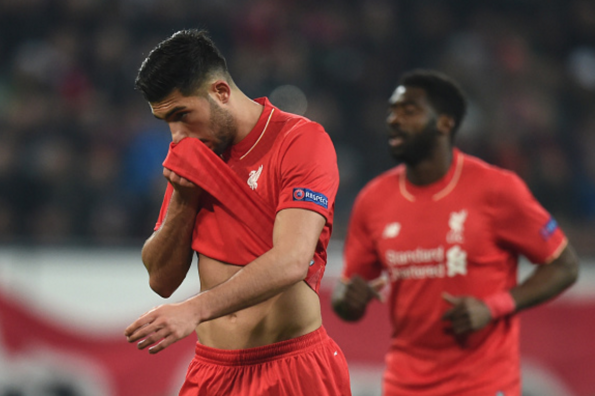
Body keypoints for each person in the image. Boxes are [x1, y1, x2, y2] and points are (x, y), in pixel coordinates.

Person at [124, 29, 351, 396]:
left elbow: (292, 260)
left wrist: (194, 310)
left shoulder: (299, 141)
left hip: (292, 367)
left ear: (221, 92)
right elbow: (161, 280)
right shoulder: (194, 150)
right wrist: (183, 200)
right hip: (212, 373)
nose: (177, 136)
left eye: (182, 114)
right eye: (166, 121)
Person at [331, 69, 579, 396]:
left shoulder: (497, 189)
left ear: (445, 122)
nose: (393, 120)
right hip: (404, 384)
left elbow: (565, 265)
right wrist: (347, 299)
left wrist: (494, 307)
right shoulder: (373, 200)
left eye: (409, 111)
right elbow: (346, 299)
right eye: (392, 111)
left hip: (484, 383)